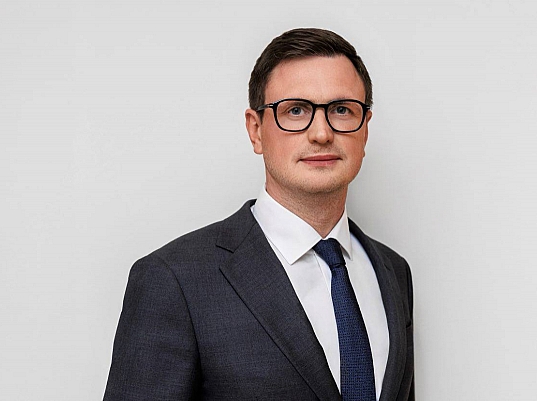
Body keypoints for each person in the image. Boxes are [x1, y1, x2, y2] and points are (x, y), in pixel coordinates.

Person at [103, 28, 414, 401]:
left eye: (341, 110)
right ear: (256, 131)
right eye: (296, 110)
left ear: (365, 129)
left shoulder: (393, 272)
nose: (321, 133)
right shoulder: (174, 280)